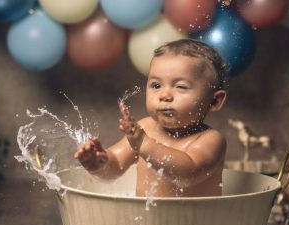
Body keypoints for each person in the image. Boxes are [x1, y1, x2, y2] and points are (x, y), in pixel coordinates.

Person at [74, 39, 228, 197]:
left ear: (214, 101)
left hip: (196, 221)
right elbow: (116, 166)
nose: (165, 95)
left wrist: (144, 144)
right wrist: (99, 164)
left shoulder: (211, 140)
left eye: (181, 86)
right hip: (146, 220)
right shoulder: (146, 128)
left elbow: (188, 174)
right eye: (156, 85)